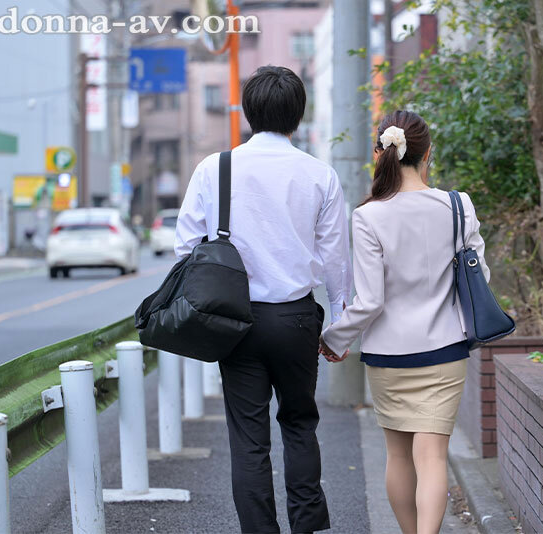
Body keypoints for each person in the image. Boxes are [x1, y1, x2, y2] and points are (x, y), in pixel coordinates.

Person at [175, 66, 352, 534]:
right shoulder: (319, 174)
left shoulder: (213, 169)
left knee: (248, 441)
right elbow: (336, 259)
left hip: (234, 322)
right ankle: (306, 526)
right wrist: (340, 327)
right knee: (299, 425)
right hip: (296, 319)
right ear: (298, 115)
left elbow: (186, 249)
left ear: (247, 112)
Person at [319, 110, 490, 534]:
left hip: (389, 357)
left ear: (380, 153)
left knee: (397, 456)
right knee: (432, 458)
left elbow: (370, 301)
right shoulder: (458, 206)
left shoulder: (369, 216)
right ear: (428, 153)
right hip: (445, 350)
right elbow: (480, 278)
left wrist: (334, 339)